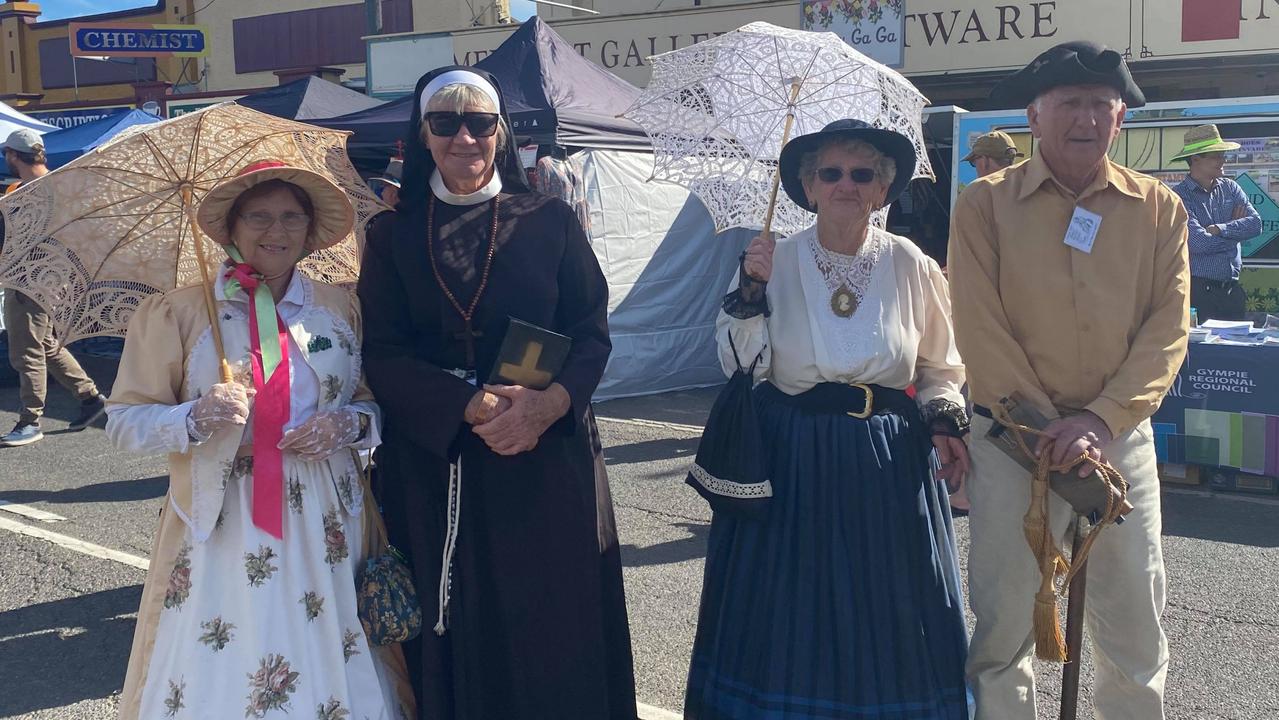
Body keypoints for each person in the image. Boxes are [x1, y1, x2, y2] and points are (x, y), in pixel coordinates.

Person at [357, 66, 637, 719]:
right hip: (437, 459)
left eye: (479, 122)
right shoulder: (390, 235)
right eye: (445, 123)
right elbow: (383, 351)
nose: (464, 137)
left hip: (543, 456)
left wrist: (548, 406)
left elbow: (590, 334)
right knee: (451, 618)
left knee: (550, 617)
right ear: (422, 136)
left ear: (500, 132)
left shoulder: (551, 221)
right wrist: (465, 405)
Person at [684, 118, 971, 720]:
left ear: (882, 187)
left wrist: (943, 422)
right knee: (794, 605)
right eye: (830, 173)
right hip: (795, 456)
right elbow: (739, 363)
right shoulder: (773, 258)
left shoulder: (910, 261)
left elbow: (942, 363)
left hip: (889, 461)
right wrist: (750, 291)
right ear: (808, 187)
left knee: (887, 603)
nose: (846, 184)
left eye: (861, 174)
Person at [106, 160, 413, 719]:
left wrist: (350, 424)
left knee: (331, 637)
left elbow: (371, 400)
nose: (277, 232)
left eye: (292, 217)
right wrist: (195, 416)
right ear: (230, 227)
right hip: (226, 518)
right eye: (260, 217)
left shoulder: (339, 307)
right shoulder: (177, 312)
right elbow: (124, 421)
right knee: (241, 638)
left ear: (310, 228)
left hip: (328, 514)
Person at [949, 41, 1189, 719]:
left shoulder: (1157, 209)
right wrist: (1045, 427)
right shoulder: (983, 206)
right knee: (1001, 635)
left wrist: (1096, 421)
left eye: (1098, 105)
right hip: (1009, 447)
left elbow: (1166, 332)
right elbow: (976, 325)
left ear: (1119, 121)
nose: (1083, 118)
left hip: (1115, 446)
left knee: (1133, 634)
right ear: (1033, 115)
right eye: (1068, 103)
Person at [1, 128, 106, 447]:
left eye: (7, 153)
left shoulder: (35, 193)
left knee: (26, 351)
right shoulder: (51, 187)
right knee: (44, 344)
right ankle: (90, 398)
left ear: (14, 156)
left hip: (31, 281)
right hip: (43, 279)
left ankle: (30, 420)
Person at [1170, 124, 1260, 322]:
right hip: (1198, 291)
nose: (1222, 160)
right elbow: (1198, 243)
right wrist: (1236, 233)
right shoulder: (1179, 197)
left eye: (1222, 154)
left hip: (1232, 291)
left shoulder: (1230, 187)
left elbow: (1256, 224)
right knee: (1201, 351)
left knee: (1236, 352)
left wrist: (1221, 228)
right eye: (1215, 155)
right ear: (1195, 159)